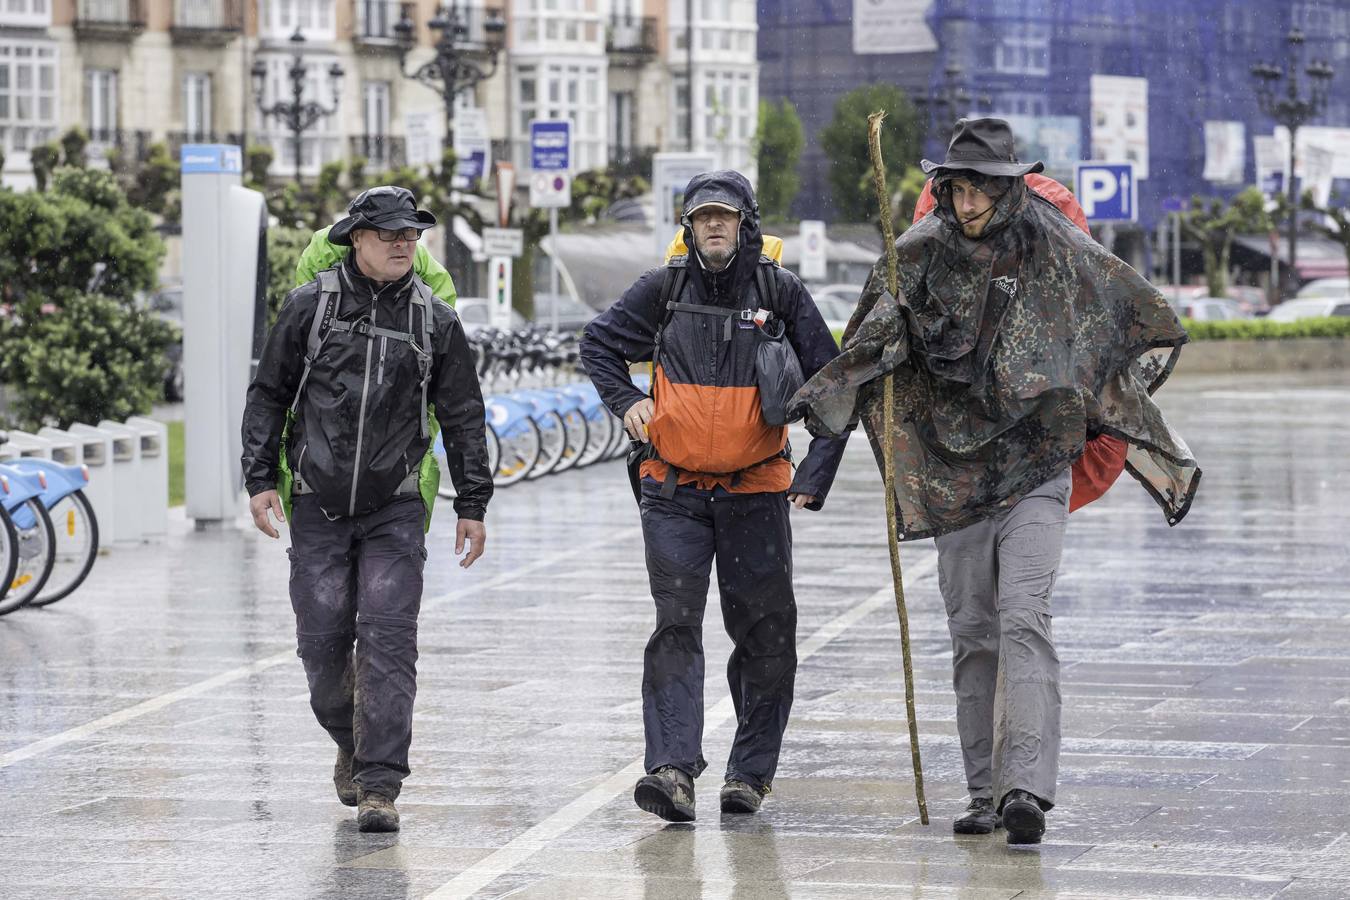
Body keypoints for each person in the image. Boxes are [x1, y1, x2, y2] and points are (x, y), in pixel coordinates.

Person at [791, 119, 1201, 845]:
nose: (969, 198)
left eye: (982, 184)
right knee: (974, 633)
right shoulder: (915, 254)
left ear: (1009, 185)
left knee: (1023, 618)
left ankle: (1026, 792)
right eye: (957, 184)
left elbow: (1125, 311)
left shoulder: (1053, 243)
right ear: (941, 187)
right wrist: (825, 395)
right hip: (954, 476)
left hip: (1038, 463)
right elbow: (870, 343)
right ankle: (983, 792)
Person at [580, 170, 849, 822]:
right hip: (673, 491)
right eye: (702, 218)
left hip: (757, 492)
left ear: (746, 222)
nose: (714, 227)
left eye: (724, 216)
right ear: (689, 226)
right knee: (675, 623)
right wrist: (627, 400)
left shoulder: (780, 292)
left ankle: (749, 774)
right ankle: (671, 770)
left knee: (764, 635)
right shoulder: (664, 289)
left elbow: (836, 388)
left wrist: (815, 473)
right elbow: (598, 344)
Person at [241, 185, 494, 833]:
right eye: (389, 235)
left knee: (387, 639)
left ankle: (380, 783)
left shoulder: (434, 321)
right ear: (356, 238)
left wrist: (473, 502)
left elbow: (463, 414)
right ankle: (351, 742)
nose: (404, 244)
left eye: (411, 235)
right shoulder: (310, 307)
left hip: (396, 506)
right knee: (322, 643)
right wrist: (260, 477)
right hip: (320, 504)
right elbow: (268, 394)